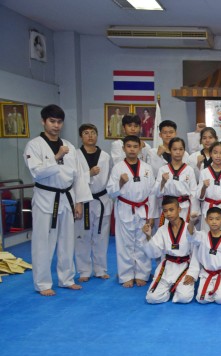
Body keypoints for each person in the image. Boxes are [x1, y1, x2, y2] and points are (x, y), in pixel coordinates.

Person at [23, 104, 92, 296]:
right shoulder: (34, 145)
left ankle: (66, 279)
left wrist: (79, 201)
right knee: (43, 243)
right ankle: (43, 283)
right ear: (43, 121)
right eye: (52, 121)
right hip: (46, 198)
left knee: (67, 241)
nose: (56, 125)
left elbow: (79, 175)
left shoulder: (69, 146)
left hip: (67, 198)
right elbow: (36, 172)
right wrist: (57, 157)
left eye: (59, 122)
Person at [107, 135, 157, 288]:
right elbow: (110, 192)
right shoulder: (118, 168)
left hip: (143, 208)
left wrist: (151, 215)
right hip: (125, 208)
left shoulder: (147, 168)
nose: (132, 150)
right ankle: (126, 275)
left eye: (135, 146)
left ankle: (142, 274)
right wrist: (120, 183)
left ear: (140, 148)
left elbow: (152, 192)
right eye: (129, 146)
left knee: (142, 242)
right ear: (123, 148)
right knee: (125, 243)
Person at [74, 123, 112, 282]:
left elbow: (109, 179)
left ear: (97, 135)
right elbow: (73, 178)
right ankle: (84, 270)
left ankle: (100, 269)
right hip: (83, 200)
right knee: (82, 236)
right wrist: (88, 174)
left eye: (93, 133)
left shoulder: (105, 156)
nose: (90, 136)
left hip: (102, 199)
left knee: (101, 236)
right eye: (86, 133)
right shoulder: (75, 155)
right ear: (81, 136)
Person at [142, 197, 195, 304]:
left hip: (185, 267)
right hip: (167, 267)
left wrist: (193, 273)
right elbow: (154, 253)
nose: (168, 213)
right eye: (165, 211)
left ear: (179, 209)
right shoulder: (162, 230)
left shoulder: (189, 228)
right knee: (152, 298)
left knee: (184, 298)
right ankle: (171, 290)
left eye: (171, 210)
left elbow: (196, 253)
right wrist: (148, 236)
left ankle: (176, 289)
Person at [187, 208, 221, 304]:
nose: (214, 222)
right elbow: (191, 235)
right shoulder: (202, 236)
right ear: (206, 220)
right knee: (201, 299)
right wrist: (192, 221)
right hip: (206, 273)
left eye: (217, 219)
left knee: (220, 299)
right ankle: (214, 292)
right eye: (211, 219)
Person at [154, 137, 198, 223]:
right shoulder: (163, 169)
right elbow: (157, 193)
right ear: (170, 150)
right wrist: (162, 182)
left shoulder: (189, 170)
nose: (178, 152)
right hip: (168, 208)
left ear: (184, 151)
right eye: (175, 149)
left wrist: (194, 212)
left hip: (184, 208)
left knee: (183, 230)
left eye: (181, 149)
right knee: (167, 231)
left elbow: (193, 192)